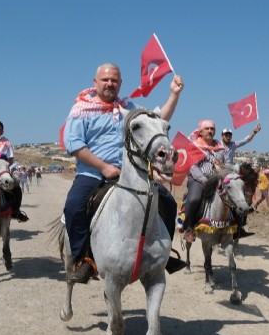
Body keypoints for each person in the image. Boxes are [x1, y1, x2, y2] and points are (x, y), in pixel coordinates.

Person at [62, 62, 184, 283]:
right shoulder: (80, 109)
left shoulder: (128, 108)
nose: (110, 83)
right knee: (74, 206)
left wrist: (174, 94)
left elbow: (158, 120)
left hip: (128, 173)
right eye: (105, 80)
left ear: (120, 84)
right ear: (95, 82)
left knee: (167, 201)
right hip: (92, 173)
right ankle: (83, 260)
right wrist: (103, 167)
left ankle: (164, 255)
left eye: (114, 80)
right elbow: (75, 145)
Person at [182, 120, 226, 242]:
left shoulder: (220, 148)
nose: (210, 131)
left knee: (234, 196)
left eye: (212, 129)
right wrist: (204, 180)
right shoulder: (195, 146)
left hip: (217, 179)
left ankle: (237, 228)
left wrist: (221, 165)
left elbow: (226, 165)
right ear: (200, 132)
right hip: (198, 179)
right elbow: (192, 166)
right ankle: (189, 228)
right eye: (207, 129)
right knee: (194, 199)